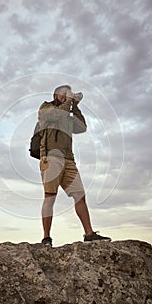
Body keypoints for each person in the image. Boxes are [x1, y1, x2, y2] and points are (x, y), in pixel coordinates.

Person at [38, 84, 111, 246]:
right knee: (50, 196)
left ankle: (89, 234)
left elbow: (82, 127)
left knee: (80, 195)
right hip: (51, 158)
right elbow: (59, 114)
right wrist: (69, 101)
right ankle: (46, 238)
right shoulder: (46, 108)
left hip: (69, 160)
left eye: (68, 94)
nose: (67, 96)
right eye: (64, 93)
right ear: (56, 94)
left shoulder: (67, 114)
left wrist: (76, 107)